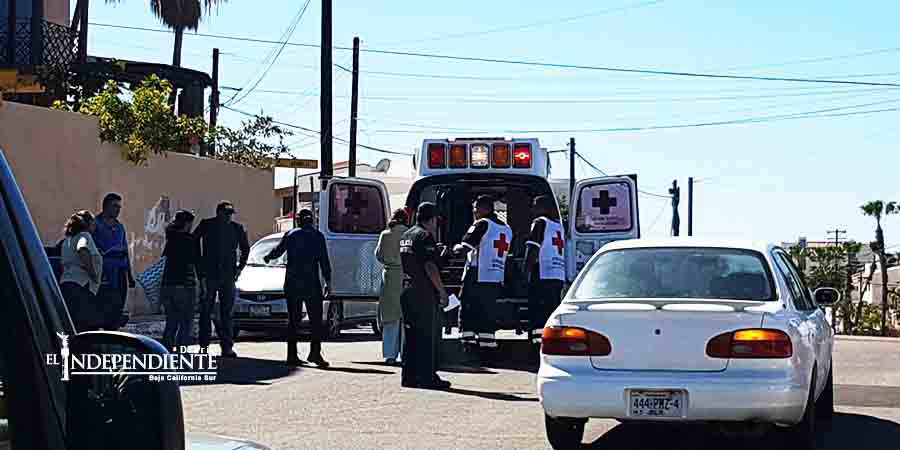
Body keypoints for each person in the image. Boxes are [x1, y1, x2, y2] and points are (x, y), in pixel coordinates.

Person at [264, 209, 332, 368]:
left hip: (292, 283)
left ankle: (292, 355)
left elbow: (277, 251)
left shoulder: (291, 235)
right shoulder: (317, 236)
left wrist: (267, 257)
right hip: (311, 284)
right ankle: (315, 353)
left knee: (293, 320)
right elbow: (324, 261)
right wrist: (329, 282)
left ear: (298, 221)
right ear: (312, 221)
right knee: (315, 320)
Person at [399, 203, 451, 389]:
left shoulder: (406, 235)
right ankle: (427, 377)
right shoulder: (425, 236)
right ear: (432, 219)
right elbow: (429, 266)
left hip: (406, 288)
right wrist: (442, 292)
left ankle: (409, 376)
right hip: (422, 291)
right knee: (427, 336)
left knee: (411, 335)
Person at [453, 195, 513, 354]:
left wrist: (454, 249)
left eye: (475, 208)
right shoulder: (507, 229)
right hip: (495, 276)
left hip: (477, 274)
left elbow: (465, 247)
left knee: (468, 309)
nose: (474, 212)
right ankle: (488, 347)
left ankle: (468, 346)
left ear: (484, 208)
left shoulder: (482, 224)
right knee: (488, 312)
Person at [194, 201, 250, 358]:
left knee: (227, 313)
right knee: (206, 311)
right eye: (226, 213)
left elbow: (245, 249)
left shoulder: (236, 228)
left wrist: (239, 268)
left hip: (228, 276)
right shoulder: (207, 225)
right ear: (218, 212)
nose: (228, 217)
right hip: (209, 276)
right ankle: (204, 346)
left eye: (230, 214)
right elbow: (193, 242)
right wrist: (201, 272)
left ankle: (227, 347)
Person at [523, 195, 566, 351]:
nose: (533, 209)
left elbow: (533, 248)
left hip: (542, 273)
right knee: (551, 310)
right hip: (557, 275)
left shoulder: (540, 223)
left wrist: (526, 271)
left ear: (544, 208)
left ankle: (538, 346)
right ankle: (553, 342)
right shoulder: (559, 226)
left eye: (535, 205)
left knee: (538, 311)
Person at [92, 193, 135, 330]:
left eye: (119, 207)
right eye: (114, 206)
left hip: (120, 272)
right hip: (104, 273)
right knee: (104, 307)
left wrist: (130, 275)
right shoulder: (95, 224)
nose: (118, 210)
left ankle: (113, 330)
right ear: (105, 206)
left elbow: (125, 251)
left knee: (118, 307)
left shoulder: (120, 227)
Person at [161, 210, 200, 353]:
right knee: (185, 322)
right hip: (184, 285)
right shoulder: (189, 240)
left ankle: (165, 353)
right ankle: (181, 353)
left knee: (171, 322)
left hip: (167, 285)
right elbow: (196, 262)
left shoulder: (170, 238)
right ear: (187, 223)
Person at [375, 209, 409, 365]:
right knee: (405, 317)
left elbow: (379, 255)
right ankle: (405, 354)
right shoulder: (409, 233)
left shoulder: (385, 234)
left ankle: (390, 355)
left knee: (390, 318)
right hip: (407, 276)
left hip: (389, 276)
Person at [60, 210, 104, 331]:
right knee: (86, 327)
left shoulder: (67, 241)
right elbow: (82, 249)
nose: (95, 227)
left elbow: (63, 264)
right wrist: (93, 274)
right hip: (82, 286)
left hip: (66, 284)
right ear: (88, 223)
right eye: (93, 223)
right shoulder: (84, 236)